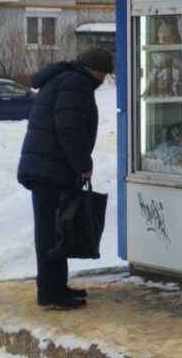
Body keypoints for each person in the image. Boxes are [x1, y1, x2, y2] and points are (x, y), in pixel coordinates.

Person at [17, 45, 114, 310]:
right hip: (50, 170)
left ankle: (56, 286)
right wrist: (82, 163)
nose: (103, 80)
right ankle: (50, 293)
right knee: (51, 234)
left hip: (47, 168)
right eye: (103, 74)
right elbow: (69, 130)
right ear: (93, 70)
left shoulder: (66, 79)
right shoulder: (75, 84)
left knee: (56, 231)